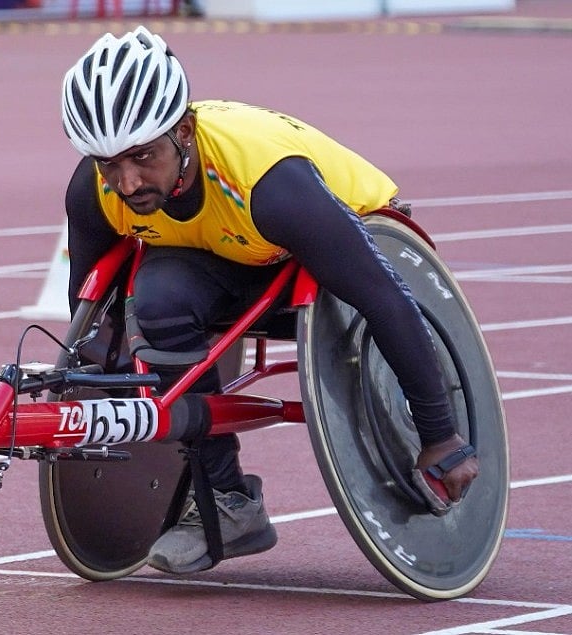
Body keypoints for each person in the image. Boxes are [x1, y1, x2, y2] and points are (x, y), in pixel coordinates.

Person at [59, 26, 479, 575]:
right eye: (109, 164)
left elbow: (387, 300)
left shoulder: (268, 182)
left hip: (336, 243)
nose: (129, 181)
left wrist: (439, 433)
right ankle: (231, 504)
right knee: (155, 300)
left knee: (355, 290)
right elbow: (93, 320)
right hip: (228, 255)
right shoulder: (96, 194)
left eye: (143, 157)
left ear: (183, 131)